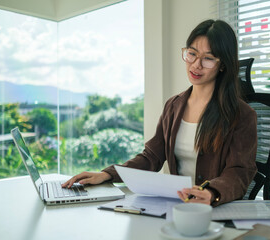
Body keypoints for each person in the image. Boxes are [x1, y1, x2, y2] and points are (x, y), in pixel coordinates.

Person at [62, 19, 257, 207]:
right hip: (178, 206)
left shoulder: (242, 114)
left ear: (222, 64)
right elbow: (151, 157)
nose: (196, 65)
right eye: (192, 54)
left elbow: (239, 172)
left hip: (215, 210)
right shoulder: (173, 106)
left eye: (208, 59)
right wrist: (107, 174)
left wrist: (212, 193)